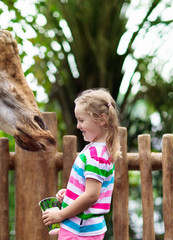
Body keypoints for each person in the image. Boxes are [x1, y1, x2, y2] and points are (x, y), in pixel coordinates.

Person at [42, 88, 120, 239]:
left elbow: (91, 196)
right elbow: (88, 189)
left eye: (82, 120)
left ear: (102, 119)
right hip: (83, 229)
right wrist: (71, 194)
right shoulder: (97, 150)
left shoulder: (96, 155)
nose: (78, 125)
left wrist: (60, 214)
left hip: (79, 231)